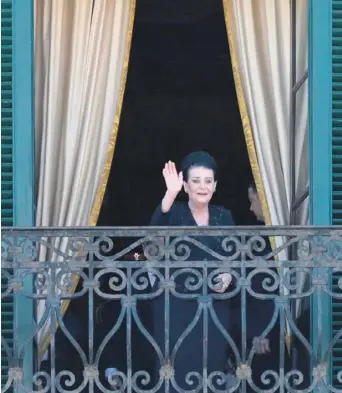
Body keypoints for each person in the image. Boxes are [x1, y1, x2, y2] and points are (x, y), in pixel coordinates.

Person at [149, 151, 235, 393]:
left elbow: (235, 254)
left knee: (211, 366)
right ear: (185, 185)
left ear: (215, 185)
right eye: (195, 181)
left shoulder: (223, 215)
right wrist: (170, 194)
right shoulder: (174, 212)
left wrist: (228, 274)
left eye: (208, 181)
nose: (202, 186)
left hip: (214, 305)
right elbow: (153, 235)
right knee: (176, 368)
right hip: (176, 305)